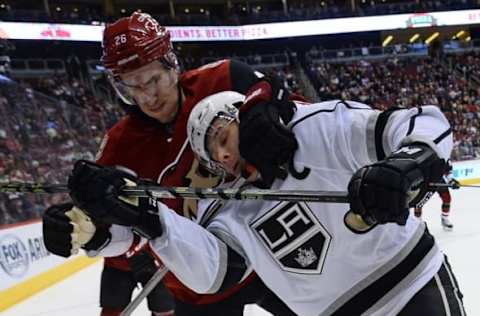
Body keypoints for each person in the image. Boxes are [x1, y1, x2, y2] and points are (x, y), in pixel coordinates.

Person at [65, 92, 466, 316]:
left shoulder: (317, 126)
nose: (222, 158)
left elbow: (421, 123)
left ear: (242, 116)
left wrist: (408, 164)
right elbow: (214, 272)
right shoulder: (227, 207)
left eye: (223, 137)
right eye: (211, 157)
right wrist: (153, 221)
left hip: (412, 288)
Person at [42, 12, 297, 316]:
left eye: (153, 79)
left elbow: (295, 121)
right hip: (201, 282)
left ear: (171, 63)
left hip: (272, 250)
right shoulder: (120, 147)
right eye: (132, 87)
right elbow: (122, 233)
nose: (148, 97)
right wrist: (87, 230)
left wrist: (276, 101)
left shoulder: (226, 79)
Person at [414, 160, 460, 230]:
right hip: (426, 182)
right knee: (419, 202)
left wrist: (451, 180)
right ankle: (417, 222)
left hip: (439, 180)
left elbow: (448, 171)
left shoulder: (444, 156)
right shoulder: (426, 155)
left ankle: (444, 218)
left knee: (447, 198)